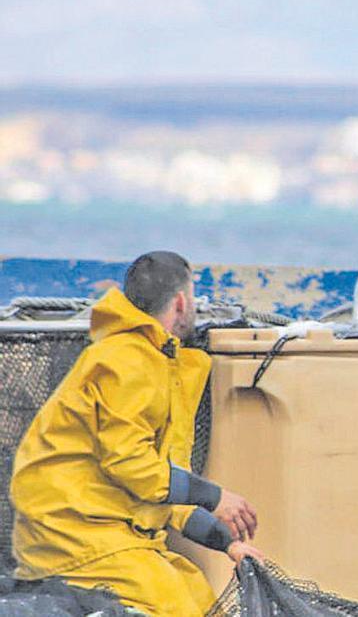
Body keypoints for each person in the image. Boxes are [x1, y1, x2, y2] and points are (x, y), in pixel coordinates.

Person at [9, 251, 263, 617]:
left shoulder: (157, 362)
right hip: (71, 535)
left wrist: (228, 544)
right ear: (180, 302)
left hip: (117, 535)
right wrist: (215, 496)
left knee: (200, 597)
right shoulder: (125, 361)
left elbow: (163, 489)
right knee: (177, 607)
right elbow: (133, 466)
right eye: (192, 297)